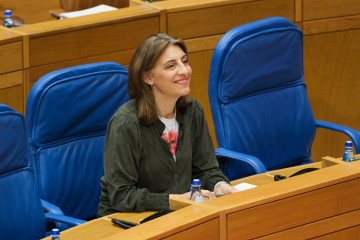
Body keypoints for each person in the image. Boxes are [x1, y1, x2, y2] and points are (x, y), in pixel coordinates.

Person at [97, 33, 238, 217]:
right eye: (171, 66)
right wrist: (176, 200)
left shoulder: (192, 111)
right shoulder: (126, 123)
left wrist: (220, 185)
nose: (185, 70)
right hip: (126, 222)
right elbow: (122, 195)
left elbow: (206, 170)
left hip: (173, 215)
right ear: (148, 77)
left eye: (184, 61)